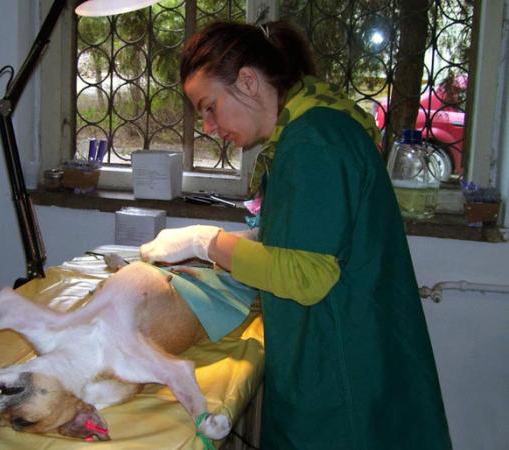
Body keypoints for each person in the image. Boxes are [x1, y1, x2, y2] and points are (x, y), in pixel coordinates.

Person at [140, 21, 452, 449]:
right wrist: (229, 248)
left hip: (342, 377)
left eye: (209, 107)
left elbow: (307, 275)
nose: (209, 126)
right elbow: (301, 239)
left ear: (248, 81)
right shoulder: (303, 133)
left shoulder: (314, 141)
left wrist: (205, 241)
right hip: (337, 357)